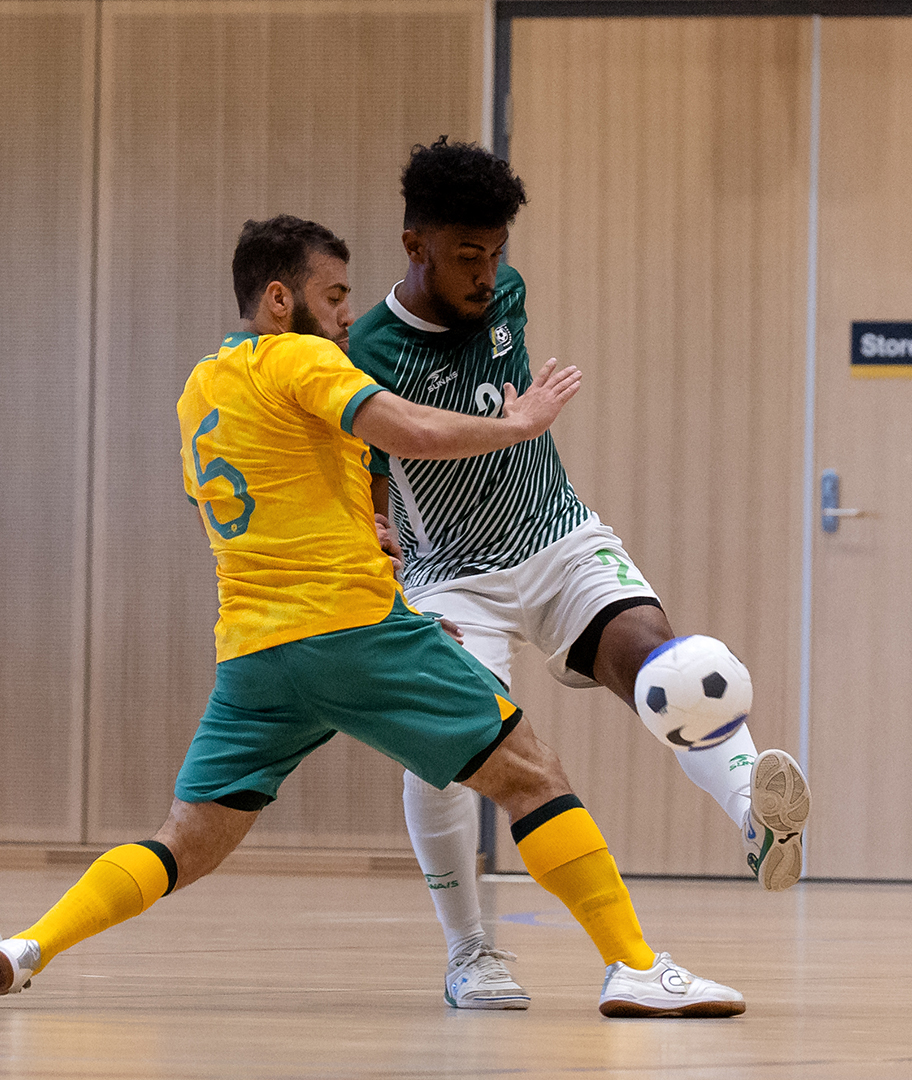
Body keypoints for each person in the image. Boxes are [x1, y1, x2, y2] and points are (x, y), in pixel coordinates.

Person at [0, 214, 744, 1019]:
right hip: (348, 630)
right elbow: (411, 430)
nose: (350, 311)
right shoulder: (302, 359)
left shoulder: (201, 388)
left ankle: (19, 950)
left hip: (254, 654)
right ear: (281, 299)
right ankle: (634, 968)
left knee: (186, 841)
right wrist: (517, 423)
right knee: (529, 775)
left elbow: (269, 506)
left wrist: (376, 541)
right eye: (336, 292)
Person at [347, 138, 812, 1010]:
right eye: (466, 256)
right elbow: (370, 453)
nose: (487, 275)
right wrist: (372, 527)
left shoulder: (507, 298)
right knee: (443, 755)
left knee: (671, 668)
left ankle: (757, 813)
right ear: (416, 246)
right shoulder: (364, 349)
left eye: (497, 253)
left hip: (555, 537)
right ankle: (470, 953)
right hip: (450, 571)